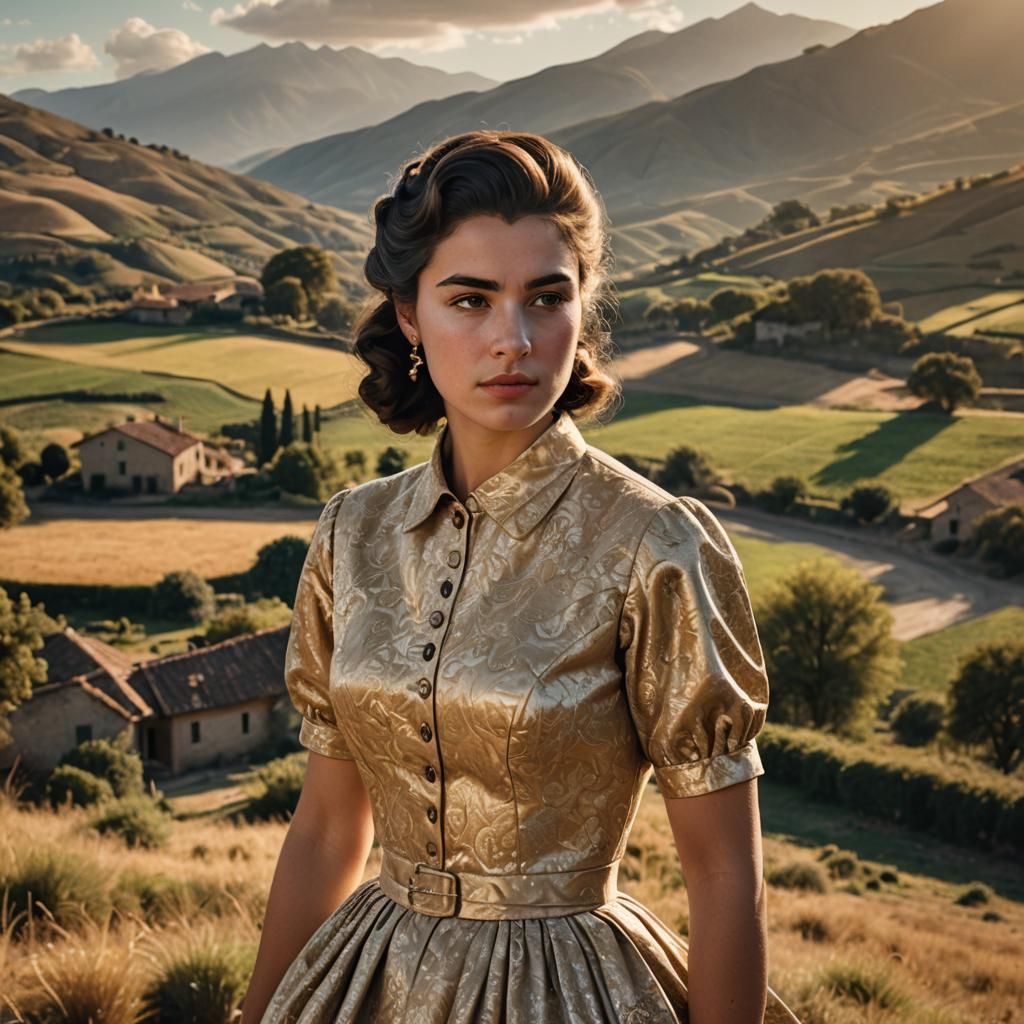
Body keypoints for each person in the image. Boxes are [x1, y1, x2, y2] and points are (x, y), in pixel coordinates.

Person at [242, 129, 802, 1024]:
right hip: (369, 981)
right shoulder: (353, 533)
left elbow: (727, 873)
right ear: (408, 316)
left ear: (582, 312)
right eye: (471, 299)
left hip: (569, 990)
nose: (514, 338)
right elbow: (323, 831)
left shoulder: (655, 543)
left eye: (547, 297)